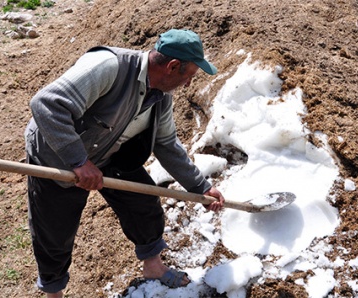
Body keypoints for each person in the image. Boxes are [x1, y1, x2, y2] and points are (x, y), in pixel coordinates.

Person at [24, 28, 225, 297]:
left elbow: (166, 145)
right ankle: (54, 293)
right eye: (188, 77)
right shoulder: (108, 67)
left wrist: (200, 187)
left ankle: (153, 266)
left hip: (108, 152)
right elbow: (47, 104)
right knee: (55, 231)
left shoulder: (161, 98)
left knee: (143, 205)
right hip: (57, 154)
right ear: (172, 66)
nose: (188, 84)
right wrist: (78, 160)